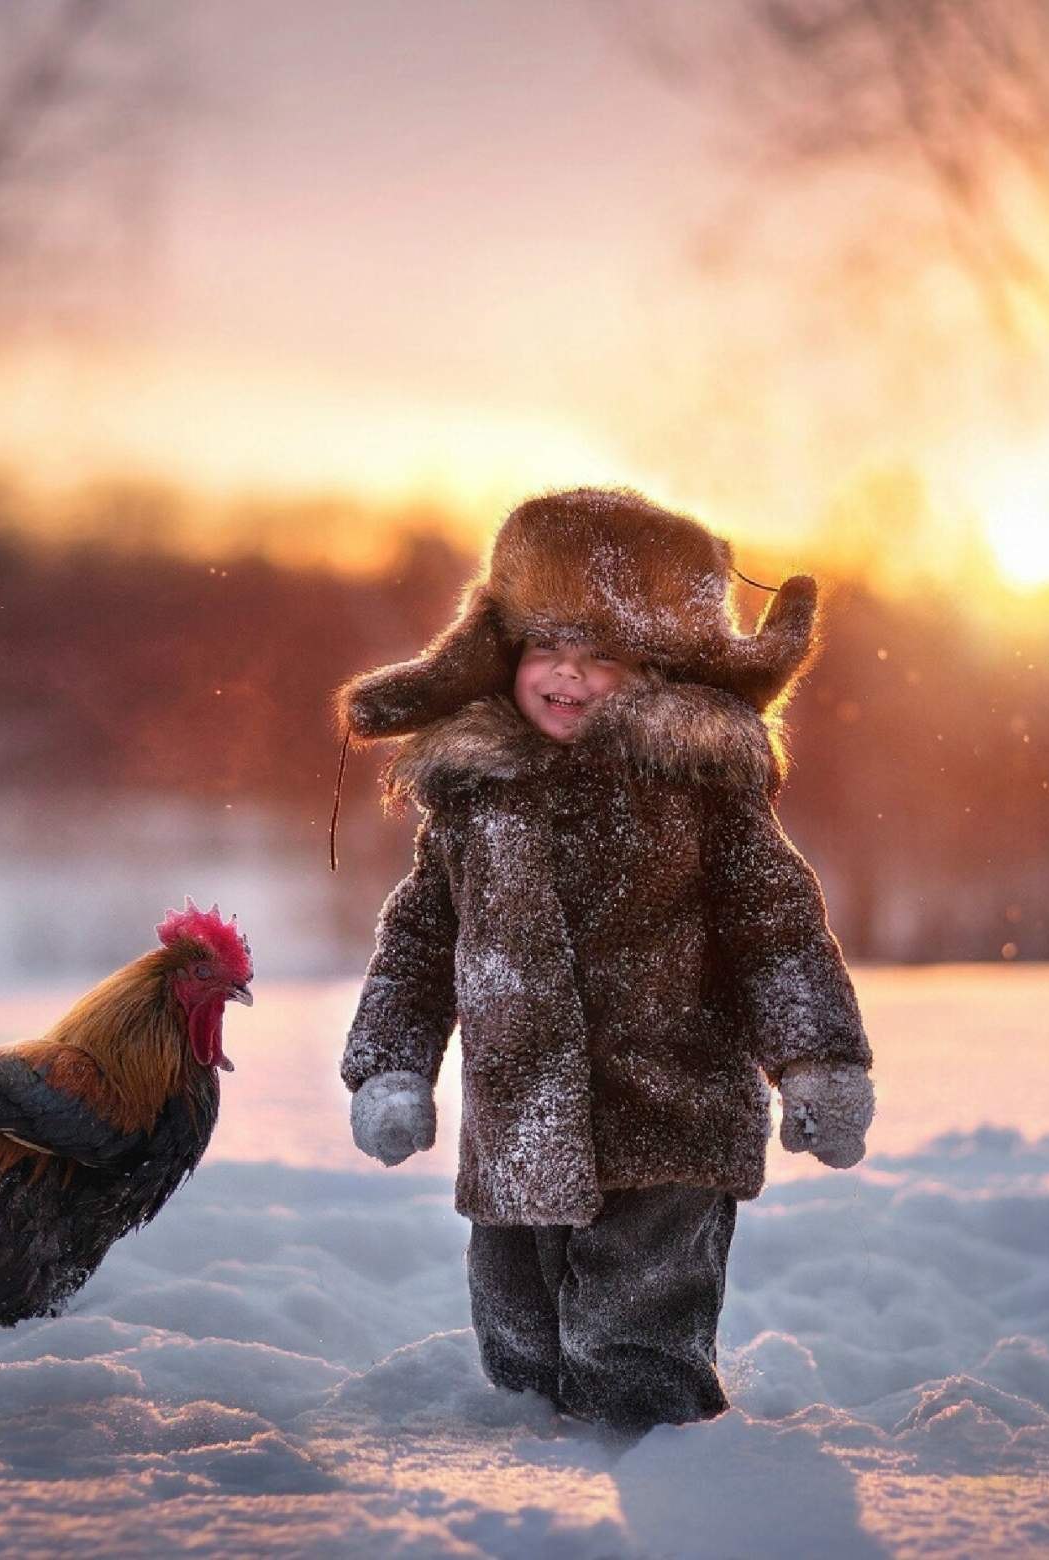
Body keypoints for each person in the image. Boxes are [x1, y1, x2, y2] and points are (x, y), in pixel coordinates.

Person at [336, 487, 874, 1435]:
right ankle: (529, 1490)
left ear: (664, 669)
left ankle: (660, 1485)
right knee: (519, 1354)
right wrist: (390, 1065)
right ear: (501, 654)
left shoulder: (702, 794)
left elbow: (775, 933)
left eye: (605, 657)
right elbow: (418, 944)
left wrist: (817, 1060)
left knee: (634, 1354)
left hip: (669, 1116)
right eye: (545, 647)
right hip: (516, 1128)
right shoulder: (474, 798)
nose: (567, 675)